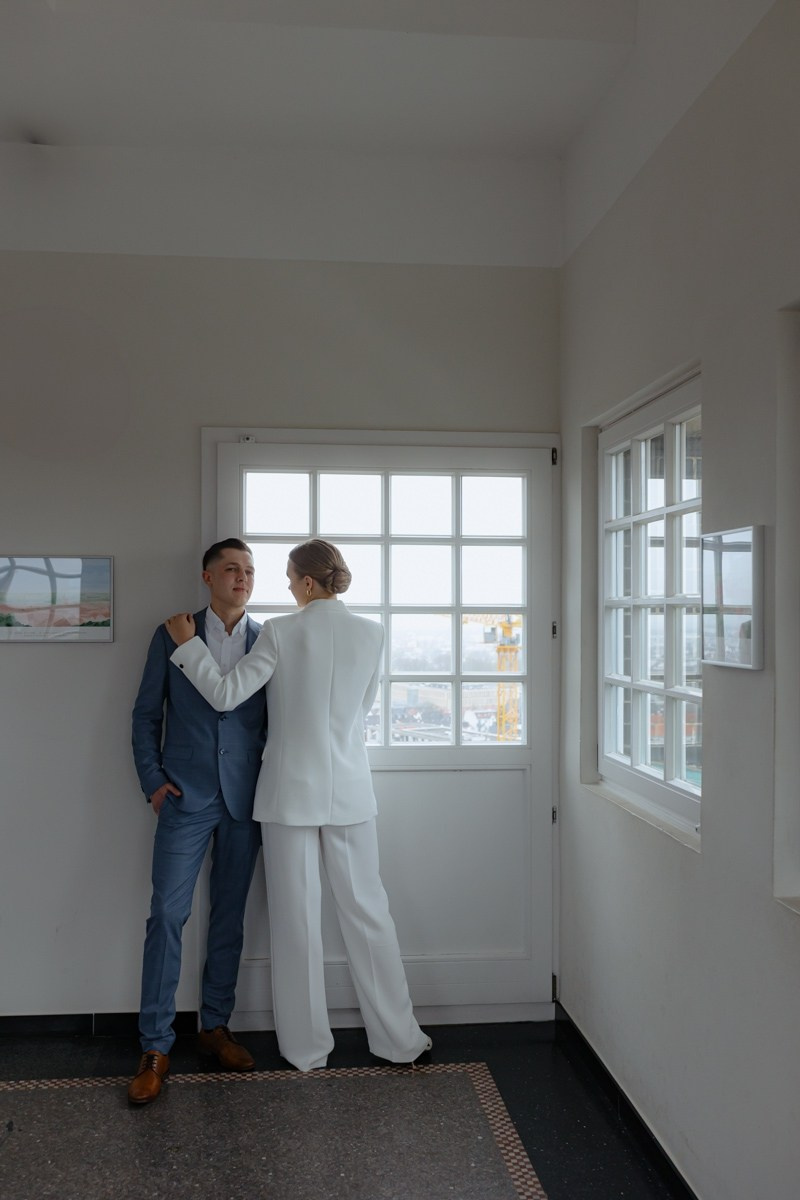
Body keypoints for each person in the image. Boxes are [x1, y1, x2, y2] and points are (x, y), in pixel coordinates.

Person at [165, 538, 431, 1072]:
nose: (287, 589)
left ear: (308, 582)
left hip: (288, 793)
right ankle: (399, 1041)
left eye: (289, 580)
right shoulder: (373, 633)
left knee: (297, 919)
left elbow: (226, 693)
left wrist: (189, 647)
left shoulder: (281, 632)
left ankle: (307, 1049)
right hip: (349, 788)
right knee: (369, 913)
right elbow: (362, 709)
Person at [128, 539, 267, 1105]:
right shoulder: (172, 633)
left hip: (246, 798)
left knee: (229, 917)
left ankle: (215, 1026)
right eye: (232, 568)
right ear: (207, 576)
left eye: (250, 570)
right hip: (184, 796)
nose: (243, 577)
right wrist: (153, 781)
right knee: (167, 914)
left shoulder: (268, 639)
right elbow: (145, 714)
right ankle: (155, 1045)